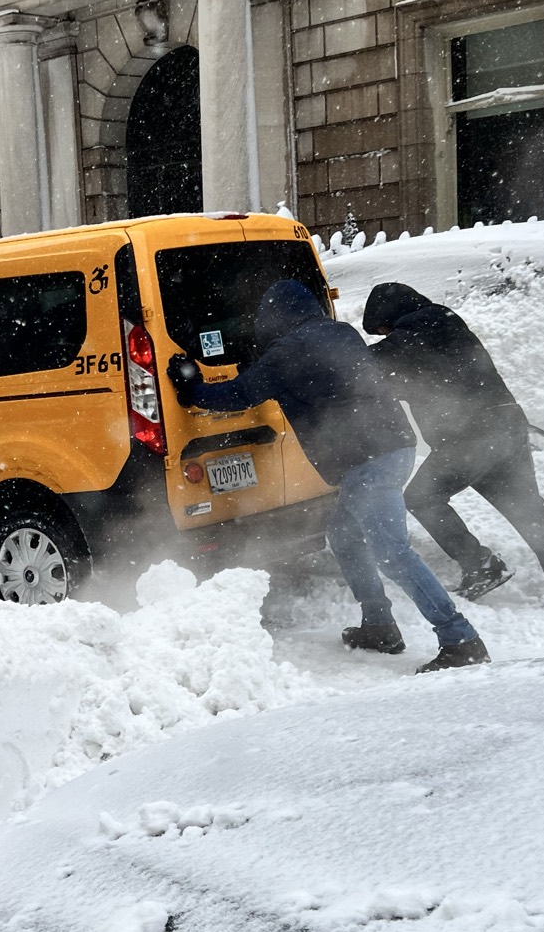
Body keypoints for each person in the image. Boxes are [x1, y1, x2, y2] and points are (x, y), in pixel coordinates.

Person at [168, 279, 487, 672]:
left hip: (370, 460)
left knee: (393, 554)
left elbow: (238, 395)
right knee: (344, 535)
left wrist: (191, 385)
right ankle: (379, 625)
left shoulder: (288, 351)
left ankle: (460, 638)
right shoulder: (340, 333)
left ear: (276, 317)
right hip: (389, 449)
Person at [361, 282, 544, 611]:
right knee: (529, 510)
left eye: (383, 329)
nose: (386, 335)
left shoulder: (421, 327)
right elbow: (410, 378)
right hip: (505, 425)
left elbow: (368, 363)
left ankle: (481, 565)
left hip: (471, 435)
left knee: (421, 498)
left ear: (389, 315)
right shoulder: (442, 325)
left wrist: (331, 354)